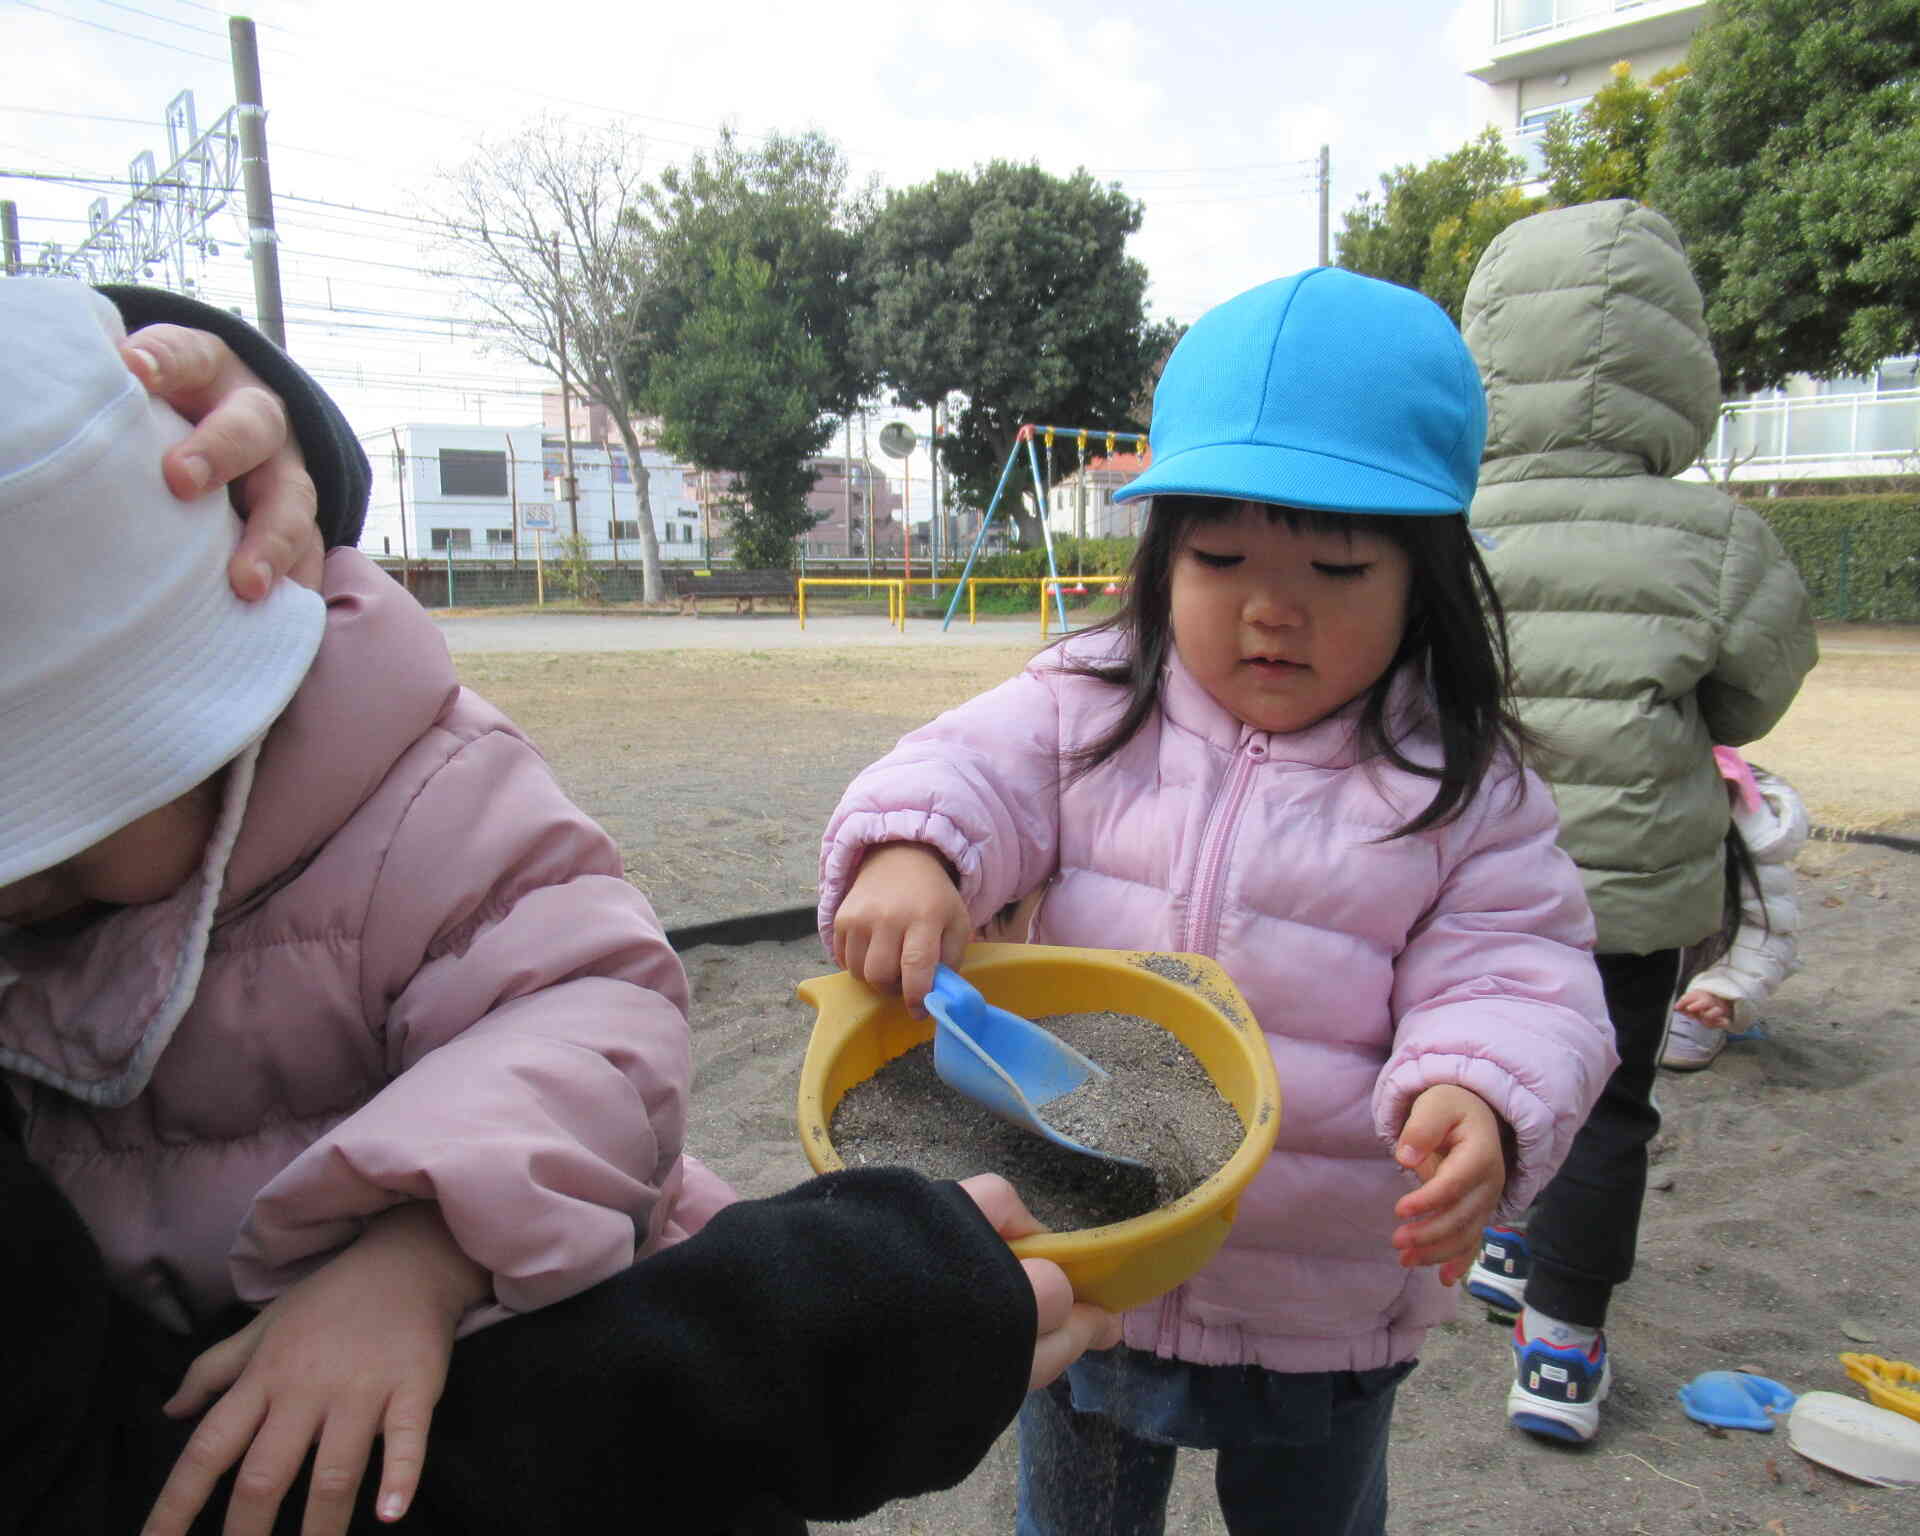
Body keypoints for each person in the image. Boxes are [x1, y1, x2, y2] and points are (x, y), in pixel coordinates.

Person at [2, 279, 1115, 1536]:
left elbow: (588, 1004)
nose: (19, 894)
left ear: (211, 709)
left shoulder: (410, 793)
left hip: (541, 1296)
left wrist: (419, 1252)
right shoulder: (70, 897)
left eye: (57, 842)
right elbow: (975, 758)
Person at [819, 266, 1617, 1536]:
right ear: (1158, 553)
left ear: (1426, 578)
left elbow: (1514, 968)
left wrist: (1475, 1091)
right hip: (1085, 1247)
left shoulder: (1457, 781)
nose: (1268, 609)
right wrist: (914, 852)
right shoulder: (1090, 695)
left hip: (1316, 1287)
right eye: (1220, 554)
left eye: (1338, 566)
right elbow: (960, 769)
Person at [1455, 200, 1818, 1443]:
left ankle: (1499, 1239)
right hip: (1629, 885)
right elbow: (1753, 694)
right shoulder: (1716, 537)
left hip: (1467, 875)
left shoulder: (1440, 522)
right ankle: (1557, 1351)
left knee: (1478, 1058)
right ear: (1680, 363)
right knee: (1607, 1103)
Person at [1659, 750, 1809, 1071]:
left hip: (1699, 968)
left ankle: (1695, 1010)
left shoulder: (1742, 838)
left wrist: (1723, 990)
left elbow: (1767, 928)